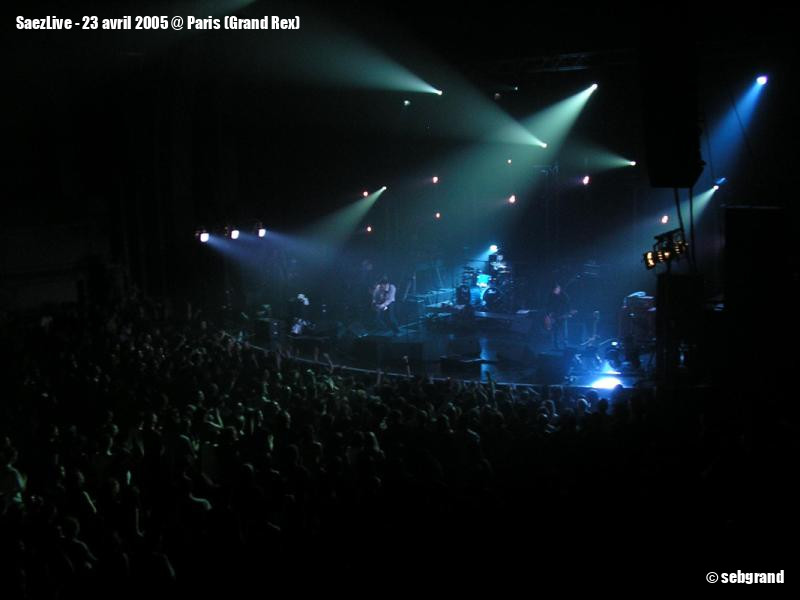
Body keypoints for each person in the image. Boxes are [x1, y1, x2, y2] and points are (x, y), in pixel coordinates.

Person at [545, 283, 572, 350]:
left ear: (559, 288)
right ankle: (555, 346)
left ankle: (565, 346)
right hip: (554, 315)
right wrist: (549, 313)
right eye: (553, 289)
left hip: (562, 316)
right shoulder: (552, 296)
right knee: (555, 331)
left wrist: (567, 313)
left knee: (563, 331)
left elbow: (568, 305)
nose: (554, 291)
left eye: (555, 289)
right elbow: (548, 305)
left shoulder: (564, 296)